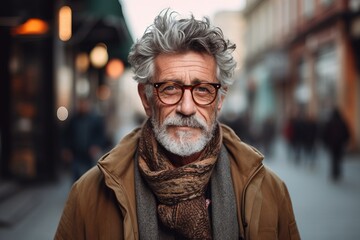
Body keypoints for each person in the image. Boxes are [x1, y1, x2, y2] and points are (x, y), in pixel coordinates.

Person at [55, 9, 300, 240]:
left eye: (203, 90)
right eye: (170, 88)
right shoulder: (89, 195)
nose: (186, 107)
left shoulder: (269, 191)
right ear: (146, 99)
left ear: (220, 100)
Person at [61, 97, 106, 182]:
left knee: (88, 180)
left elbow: (101, 136)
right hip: (76, 154)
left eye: (84, 104)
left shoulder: (96, 119)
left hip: (89, 156)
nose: (82, 106)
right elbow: (67, 135)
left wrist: (96, 146)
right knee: (76, 179)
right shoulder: (73, 119)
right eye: (80, 104)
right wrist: (66, 149)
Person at [321, 107, 350, 181]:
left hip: (332, 145)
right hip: (340, 144)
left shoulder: (330, 122)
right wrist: (345, 141)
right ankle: (337, 172)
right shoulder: (342, 122)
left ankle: (334, 173)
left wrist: (326, 143)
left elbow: (324, 134)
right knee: (338, 158)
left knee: (333, 159)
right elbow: (347, 133)